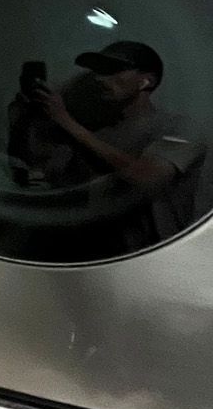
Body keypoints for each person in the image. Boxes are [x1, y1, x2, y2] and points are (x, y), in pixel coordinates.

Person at [38, 40, 207, 251]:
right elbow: (54, 181)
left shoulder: (179, 127)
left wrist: (67, 122)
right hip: (97, 257)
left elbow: (148, 177)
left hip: (159, 257)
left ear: (146, 81)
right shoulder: (99, 133)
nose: (100, 79)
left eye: (113, 70)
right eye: (98, 71)